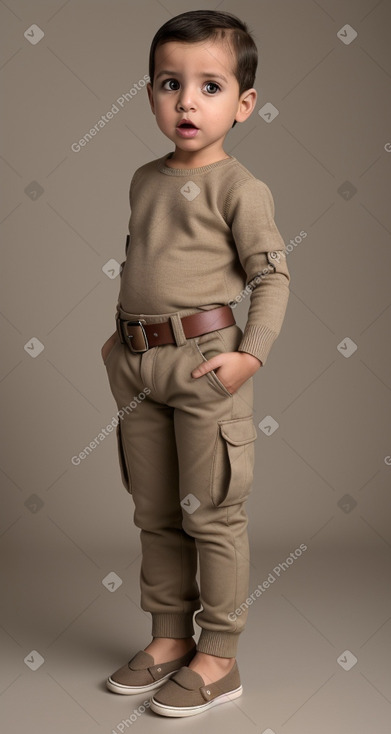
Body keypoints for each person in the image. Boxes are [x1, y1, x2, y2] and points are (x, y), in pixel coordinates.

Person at [102, 9, 290, 717]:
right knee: (154, 513)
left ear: (242, 104)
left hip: (207, 363)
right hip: (137, 364)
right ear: (148, 93)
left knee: (210, 514)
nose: (186, 101)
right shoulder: (145, 178)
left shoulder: (241, 188)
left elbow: (271, 277)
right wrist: (115, 346)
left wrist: (250, 355)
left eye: (209, 86)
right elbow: (143, 262)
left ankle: (219, 656)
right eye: (169, 83)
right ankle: (168, 637)